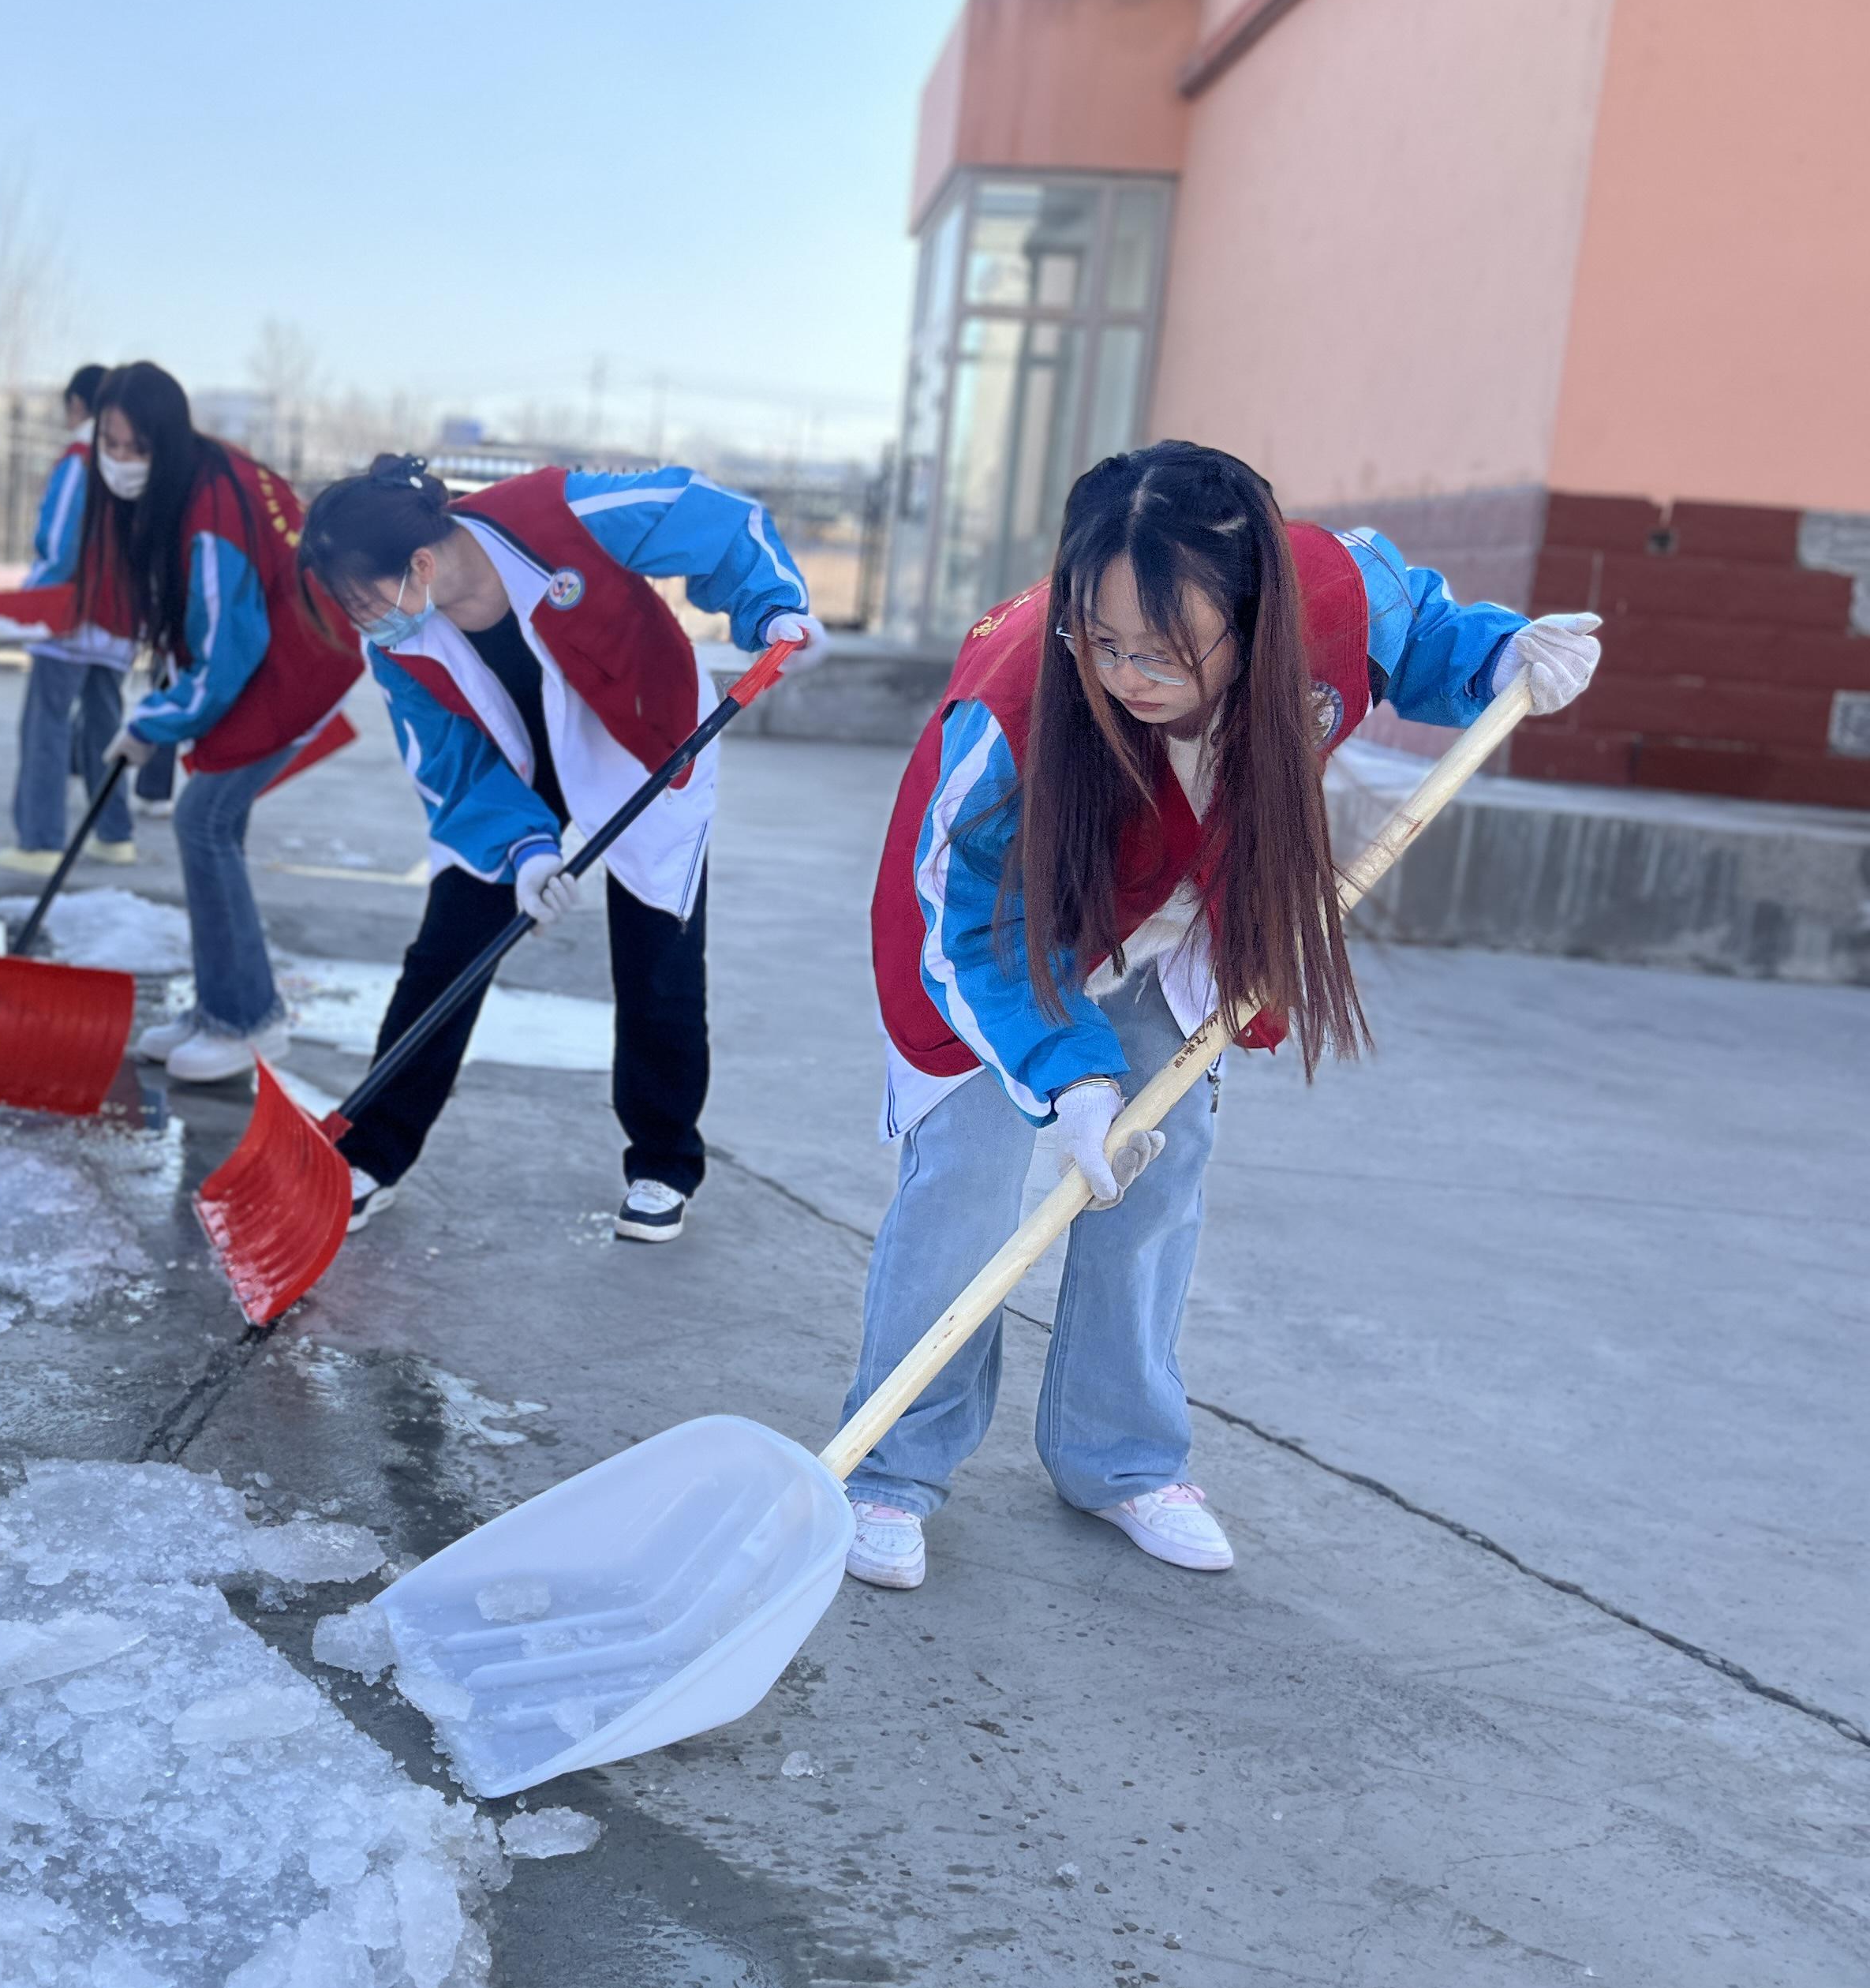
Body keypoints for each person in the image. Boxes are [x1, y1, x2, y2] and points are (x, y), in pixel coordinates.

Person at [843, 440, 1602, 1591]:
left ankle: (1121, 1458)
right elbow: (977, 926)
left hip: (1186, 916)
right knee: (968, 1191)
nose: (1129, 673)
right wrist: (1073, 1080)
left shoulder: (1334, 592)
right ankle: (888, 1472)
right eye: (1100, 641)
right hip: (1001, 937)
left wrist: (1506, 652)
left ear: (1257, 612)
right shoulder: (1010, 707)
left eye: (1165, 647)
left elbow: (1428, 637)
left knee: (1158, 1173)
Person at [298, 454, 825, 1240]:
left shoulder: (557, 513)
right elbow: (449, 766)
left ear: (419, 562)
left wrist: (773, 606)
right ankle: (372, 1148)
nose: (361, 619)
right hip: (509, 771)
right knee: (448, 950)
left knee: (659, 956)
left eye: (362, 597)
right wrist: (525, 852)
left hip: (643, 737)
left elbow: (709, 515)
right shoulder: (398, 645)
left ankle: (661, 1160)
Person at [86, 361, 362, 1084]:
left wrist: (153, 723)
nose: (119, 462)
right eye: (108, 445)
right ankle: (223, 1005)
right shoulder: (199, 477)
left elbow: (228, 654)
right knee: (213, 822)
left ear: (166, 440)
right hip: (287, 650)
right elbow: (204, 632)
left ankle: (247, 1020)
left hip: (302, 663)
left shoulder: (213, 511)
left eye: (134, 447)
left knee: (202, 821)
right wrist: (164, 711)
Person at [0, 364, 143, 875]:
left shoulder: (81, 458)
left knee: (47, 725)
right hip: (121, 618)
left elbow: (60, 542)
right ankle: (114, 834)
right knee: (105, 726)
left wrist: (33, 603)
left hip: (71, 614)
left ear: (79, 406)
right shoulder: (138, 461)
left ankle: (40, 841)